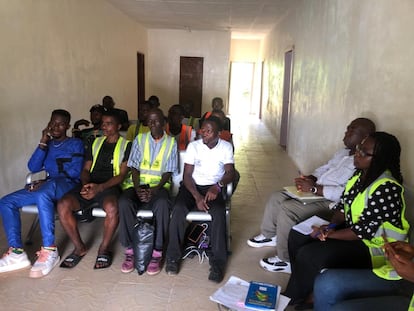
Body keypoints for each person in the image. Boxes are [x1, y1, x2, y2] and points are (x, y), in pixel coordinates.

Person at [284, 132, 409, 310]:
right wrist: (331, 226)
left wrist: (331, 234)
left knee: (311, 254)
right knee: (298, 235)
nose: (357, 154)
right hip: (354, 233)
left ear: (380, 158)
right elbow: (343, 207)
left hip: (375, 250)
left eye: (364, 152)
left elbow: (363, 232)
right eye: (359, 149)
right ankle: (304, 289)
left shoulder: (387, 188)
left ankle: (300, 298)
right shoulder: (360, 176)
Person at [247, 118, 376, 273]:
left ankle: (286, 260)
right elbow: (325, 168)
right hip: (316, 190)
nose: (346, 133)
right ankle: (270, 235)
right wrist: (311, 178)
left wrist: (315, 189)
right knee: (278, 196)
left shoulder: (361, 162)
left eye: (351, 130)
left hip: (330, 201)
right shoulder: (343, 153)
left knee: (289, 209)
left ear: (365, 137)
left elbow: (346, 193)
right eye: (347, 128)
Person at [0, 109, 84, 278]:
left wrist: (47, 182)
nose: (55, 126)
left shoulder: (76, 143)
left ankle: (50, 250)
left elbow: (75, 172)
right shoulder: (48, 144)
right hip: (48, 186)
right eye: (52, 122)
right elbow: (33, 167)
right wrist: (43, 142)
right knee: (6, 202)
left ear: (67, 126)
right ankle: (17, 252)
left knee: (42, 193)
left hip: (67, 185)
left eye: (60, 124)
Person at [57, 109, 132, 269]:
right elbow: (85, 169)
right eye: (103, 123)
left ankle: (104, 248)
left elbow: (122, 175)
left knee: (112, 207)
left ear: (118, 126)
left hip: (110, 185)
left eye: (108, 124)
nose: (104, 127)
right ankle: (79, 247)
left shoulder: (127, 145)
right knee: (63, 205)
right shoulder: (95, 142)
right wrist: (86, 185)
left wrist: (99, 188)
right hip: (90, 183)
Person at [165, 116, 235, 283]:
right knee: (179, 208)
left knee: (218, 212)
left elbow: (230, 173)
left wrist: (217, 187)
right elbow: (187, 176)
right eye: (203, 130)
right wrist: (197, 196)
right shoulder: (194, 146)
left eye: (209, 131)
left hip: (213, 187)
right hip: (191, 187)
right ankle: (172, 257)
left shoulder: (226, 147)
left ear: (218, 133)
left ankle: (218, 263)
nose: (204, 134)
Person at [118, 108, 177, 276]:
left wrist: (155, 189)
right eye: (150, 121)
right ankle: (130, 249)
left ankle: (157, 251)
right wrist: (137, 188)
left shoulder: (171, 142)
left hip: (159, 187)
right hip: (138, 185)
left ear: (164, 123)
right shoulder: (139, 139)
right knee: (124, 202)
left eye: (156, 121)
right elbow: (134, 166)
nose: (152, 124)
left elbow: (169, 171)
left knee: (163, 204)